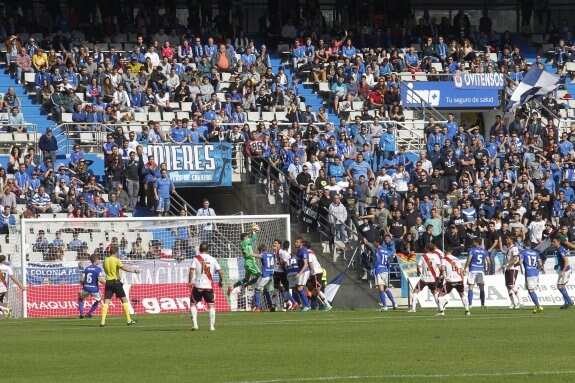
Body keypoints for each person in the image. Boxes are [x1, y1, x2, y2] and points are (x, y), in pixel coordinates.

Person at [100, 246, 140, 327]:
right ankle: (129, 321)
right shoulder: (116, 260)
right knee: (124, 300)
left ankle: (102, 322)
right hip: (116, 282)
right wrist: (134, 271)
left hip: (108, 282)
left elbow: (105, 270)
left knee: (106, 302)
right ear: (116, 253)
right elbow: (123, 268)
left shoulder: (105, 261)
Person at [188, 242, 224, 331]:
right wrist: (221, 281)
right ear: (208, 250)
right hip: (208, 286)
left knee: (193, 304)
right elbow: (220, 271)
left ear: (199, 250)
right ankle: (212, 326)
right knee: (211, 305)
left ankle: (195, 324)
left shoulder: (196, 258)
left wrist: (189, 282)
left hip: (198, 285)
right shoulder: (213, 259)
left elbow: (192, 271)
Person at [228, 224, 261, 296]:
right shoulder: (245, 242)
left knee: (246, 279)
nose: (249, 238)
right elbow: (253, 239)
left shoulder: (244, 243)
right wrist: (254, 231)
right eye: (247, 237)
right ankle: (245, 286)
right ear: (245, 238)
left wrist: (253, 231)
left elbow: (252, 239)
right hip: (251, 262)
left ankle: (233, 286)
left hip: (247, 263)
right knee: (260, 276)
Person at [409, 243, 441, 313]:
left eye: (425, 247)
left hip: (425, 278)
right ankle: (440, 307)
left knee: (415, 291)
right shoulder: (436, 256)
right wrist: (441, 275)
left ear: (427, 249)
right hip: (433, 278)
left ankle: (413, 308)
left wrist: (419, 272)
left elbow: (418, 266)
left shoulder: (423, 256)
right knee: (435, 292)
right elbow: (439, 267)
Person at [437, 247, 470, 316]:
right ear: (452, 251)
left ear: (445, 251)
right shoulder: (457, 259)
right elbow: (461, 270)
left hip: (450, 281)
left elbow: (442, 269)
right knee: (462, 294)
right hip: (459, 279)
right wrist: (462, 280)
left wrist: (443, 276)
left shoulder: (444, 259)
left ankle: (441, 312)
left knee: (440, 295)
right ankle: (467, 311)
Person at [372, 237, 397, 311]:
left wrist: (373, 268)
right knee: (386, 288)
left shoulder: (377, 250)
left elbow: (378, 260)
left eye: (375, 242)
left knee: (381, 289)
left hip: (379, 270)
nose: (374, 244)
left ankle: (385, 306)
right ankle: (394, 303)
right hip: (385, 270)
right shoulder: (385, 251)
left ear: (377, 243)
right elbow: (388, 262)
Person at [465, 239, 491, 309]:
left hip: (473, 269)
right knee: (482, 288)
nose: (473, 243)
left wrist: (465, 268)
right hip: (481, 270)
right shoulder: (485, 251)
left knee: (471, 287)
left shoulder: (472, 250)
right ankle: (482, 304)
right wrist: (488, 270)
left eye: (474, 242)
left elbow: (469, 259)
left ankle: (470, 305)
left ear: (476, 243)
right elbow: (488, 262)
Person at [78, 254, 106, 319]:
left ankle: (81, 314)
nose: (98, 260)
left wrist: (83, 284)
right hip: (94, 289)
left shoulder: (87, 269)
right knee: (99, 299)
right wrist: (108, 284)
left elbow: (82, 279)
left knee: (80, 299)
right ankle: (89, 313)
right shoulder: (98, 269)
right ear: (96, 260)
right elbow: (100, 280)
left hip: (86, 288)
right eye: (98, 259)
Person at [520, 240, 544, 313]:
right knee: (532, 290)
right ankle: (536, 307)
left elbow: (520, 262)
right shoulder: (536, 253)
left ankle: (539, 306)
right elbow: (540, 263)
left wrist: (515, 264)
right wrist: (537, 269)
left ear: (524, 245)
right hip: (536, 273)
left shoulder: (523, 252)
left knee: (530, 291)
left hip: (529, 273)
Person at [307, 243, 332, 311]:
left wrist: (310, 273)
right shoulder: (310, 253)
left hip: (315, 274)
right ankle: (324, 305)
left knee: (317, 291)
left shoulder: (308, 253)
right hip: (313, 274)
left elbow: (310, 264)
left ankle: (326, 305)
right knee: (311, 289)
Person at [498, 236, 521, 309]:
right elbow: (502, 250)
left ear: (511, 240)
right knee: (508, 286)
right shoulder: (509, 248)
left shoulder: (514, 248)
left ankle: (520, 301)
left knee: (511, 285)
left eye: (507, 238)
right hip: (508, 269)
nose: (506, 239)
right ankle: (513, 303)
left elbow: (515, 258)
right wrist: (500, 241)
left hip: (513, 268)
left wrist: (506, 264)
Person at [550, 237, 574, 309]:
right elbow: (562, 260)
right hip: (565, 269)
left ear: (558, 242)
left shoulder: (560, 249)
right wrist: (557, 265)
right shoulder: (558, 249)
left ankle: (569, 301)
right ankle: (566, 302)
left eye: (554, 242)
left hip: (566, 270)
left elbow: (566, 260)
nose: (552, 243)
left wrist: (563, 270)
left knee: (559, 286)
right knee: (562, 286)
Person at [250, 244, 275, 312]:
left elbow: (257, 256)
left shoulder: (263, 254)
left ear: (261, 250)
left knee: (257, 290)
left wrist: (248, 253)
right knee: (265, 290)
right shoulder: (271, 254)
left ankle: (257, 308)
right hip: (270, 276)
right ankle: (270, 306)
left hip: (265, 276)